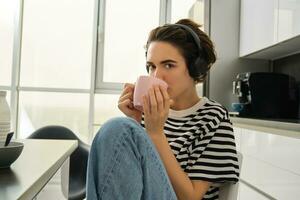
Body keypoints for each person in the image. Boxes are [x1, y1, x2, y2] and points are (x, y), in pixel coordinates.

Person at [86, 19, 239, 200]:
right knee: (120, 127)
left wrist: (155, 133)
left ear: (194, 68)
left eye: (168, 65)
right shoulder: (149, 115)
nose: (156, 75)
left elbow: (190, 197)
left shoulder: (214, 118)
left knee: (119, 127)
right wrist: (135, 122)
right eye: (151, 66)